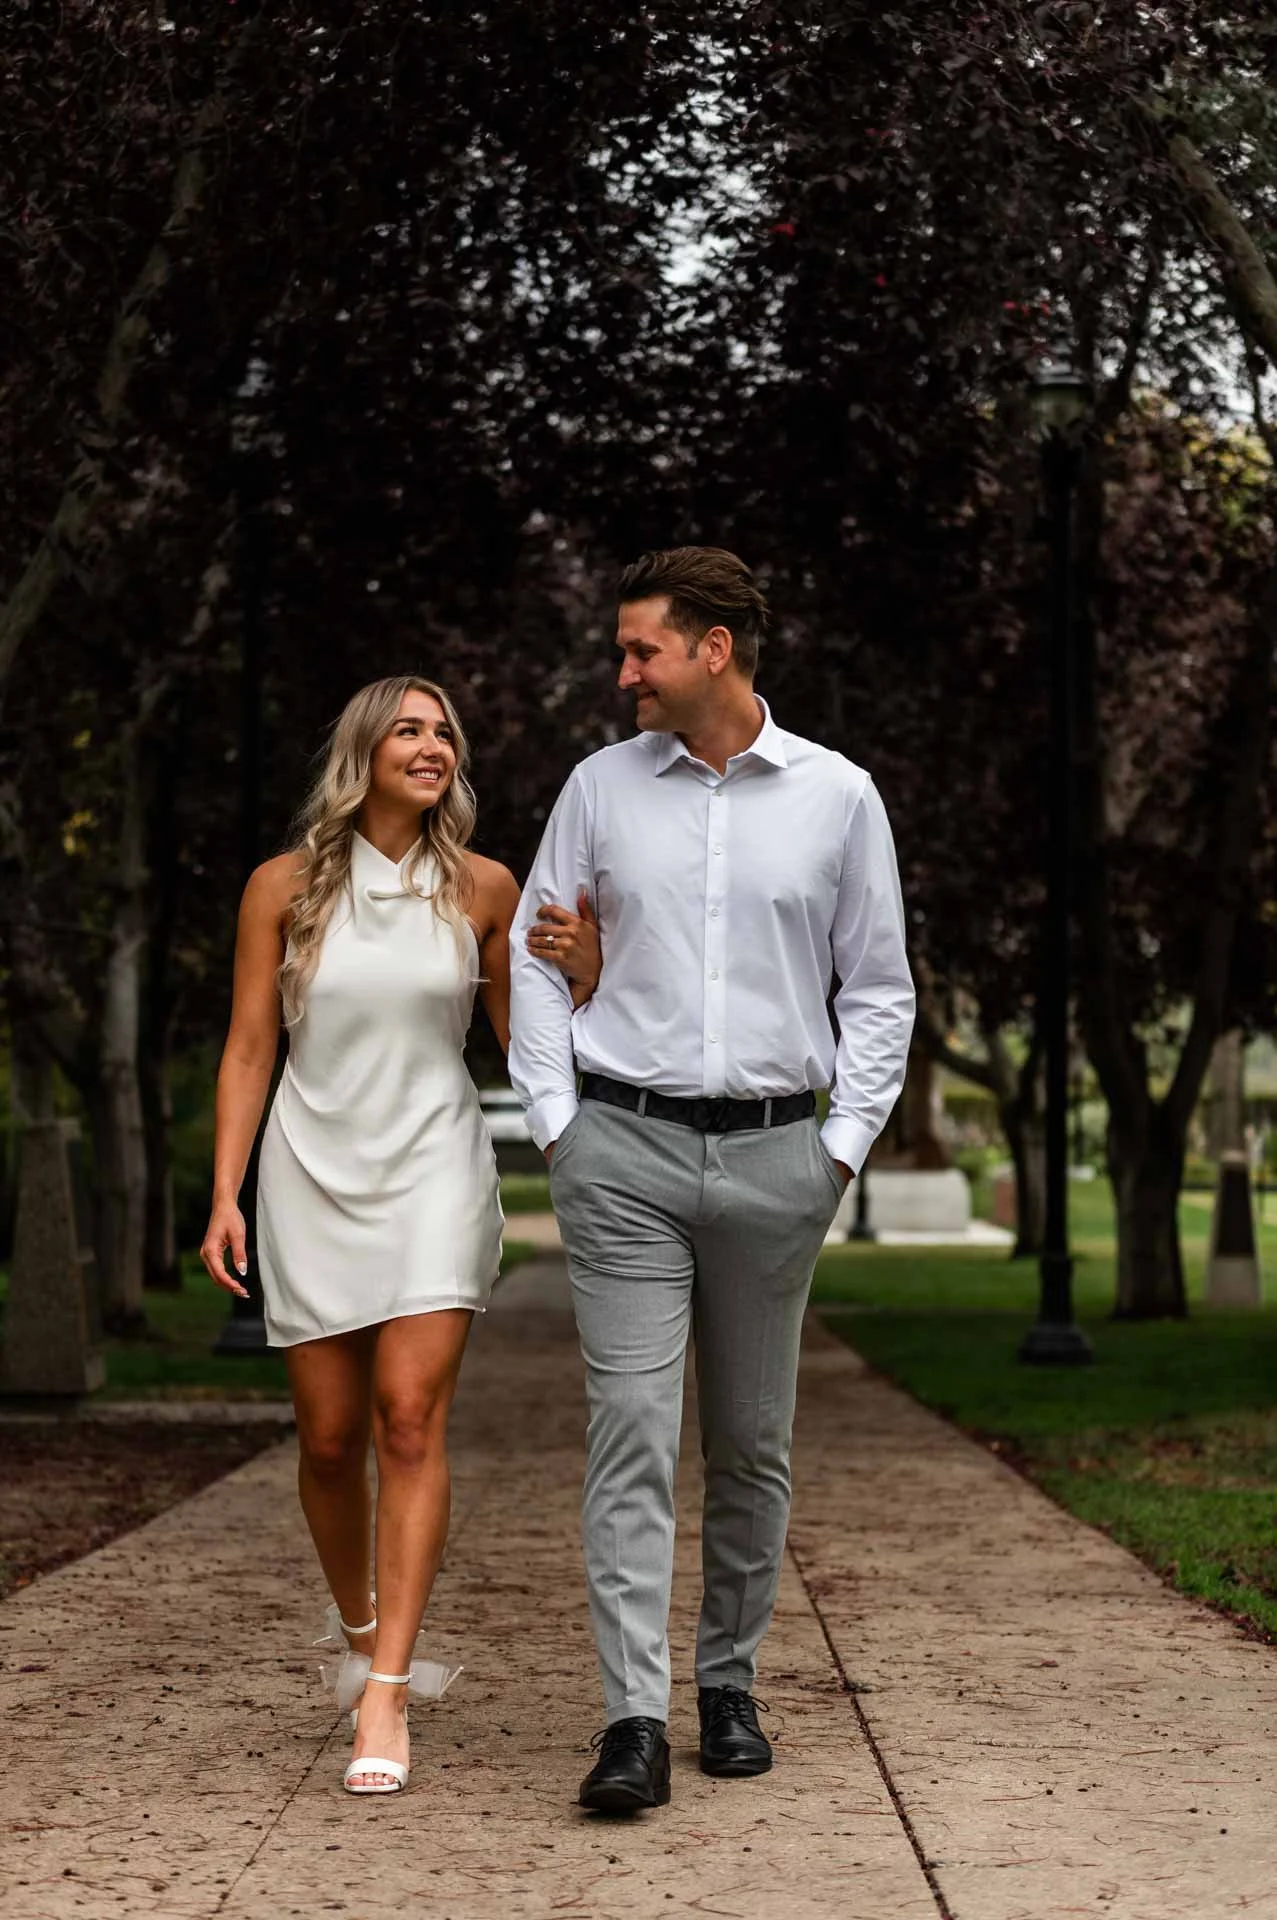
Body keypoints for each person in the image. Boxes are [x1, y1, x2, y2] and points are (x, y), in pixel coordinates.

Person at [509, 548, 915, 1813]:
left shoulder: (839, 797)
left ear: (714, 650)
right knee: (630, 1431)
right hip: (619, 1153)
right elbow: (533, 953)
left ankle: (725, 1683)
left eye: (641, 650)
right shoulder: (597, 788)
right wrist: (556, 1124)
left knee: (750, 1445)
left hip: (774, 1157)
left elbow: (880, 990)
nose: (622, 671)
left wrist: (835, 1150)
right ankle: (630, 1719)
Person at [200, 674, 599, 1796]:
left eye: (444, 735)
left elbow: (533, 1047)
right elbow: (246, 1051)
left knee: (408, 1419)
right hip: (309, 1172)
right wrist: (225, 1193)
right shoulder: (279, 889)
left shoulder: (483, 887)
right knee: (328, 1441)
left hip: (433, 1169)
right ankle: (360, 1625)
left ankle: (387, 1687)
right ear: (364, 751)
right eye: (409, 731)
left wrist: (590, 976)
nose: (432, 747)